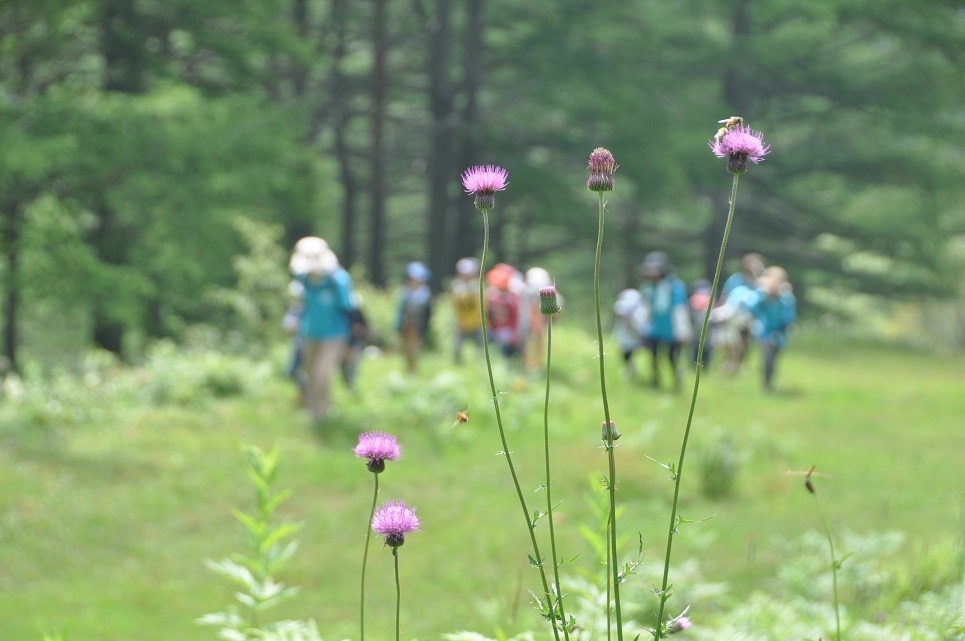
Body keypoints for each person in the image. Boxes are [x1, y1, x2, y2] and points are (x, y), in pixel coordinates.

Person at [289, 236, 356, 422]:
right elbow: (301, 305)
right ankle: (314, 409)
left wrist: (351, 343)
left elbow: (349, 309)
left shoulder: (339, 280)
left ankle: (323, 411)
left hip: (334, 334)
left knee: (322, 373)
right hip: (309, 333)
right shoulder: (303, 280)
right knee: (310, 373)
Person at [639, 251, 692, 391]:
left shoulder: (675, 286)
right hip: (654, 327)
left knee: (672, 357)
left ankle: (676, 381)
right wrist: (643, 325)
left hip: (672, 328)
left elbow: (680, 308)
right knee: (653, 355)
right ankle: (655, 379)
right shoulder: (648, 286)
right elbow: (646, 306)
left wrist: (682, 330)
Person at [750, 266, 797, 391]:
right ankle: (766, 382)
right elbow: (752, 309)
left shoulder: (786, 298)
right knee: (767, 357)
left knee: (773, 358)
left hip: (779, 332)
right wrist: (763, 294)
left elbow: (788, 318)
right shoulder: (761, 295)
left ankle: (769, 380)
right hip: (763, 331)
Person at [397, 261, 433, 373]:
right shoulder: (405, 292)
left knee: (414, 348)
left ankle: (414, 369)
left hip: (417, 326)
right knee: (405, 348)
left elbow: (427, 314)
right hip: (405, 325)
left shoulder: (425, 294)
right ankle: (409, 368)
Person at [485, 263, 522, 359]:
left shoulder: (512, 297)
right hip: (492, 329)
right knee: (491, 352)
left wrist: (514, 333)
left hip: (506, 331)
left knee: (505, 353)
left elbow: (515, 315)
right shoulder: (490, 295)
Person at [450, 257, 483, 364]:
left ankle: (480, 366)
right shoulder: (456, 286)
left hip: (476, 324)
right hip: (461, 323)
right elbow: (456, 305)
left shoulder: (477, 287)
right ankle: (458, 365)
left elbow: (479, 308)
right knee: (456, 348)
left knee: (481, 349)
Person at [522, 267, 553, 371]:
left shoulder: (547, 292)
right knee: (529, 343)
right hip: (529, 320)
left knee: (536, 342)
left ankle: (535, 365)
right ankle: (529, 364)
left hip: (538, 321)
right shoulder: (526, 291)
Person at [613, 288, 644, 378]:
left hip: (631, 334)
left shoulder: (637, 306)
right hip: (626, 333)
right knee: (626, 351)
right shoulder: (627, 304)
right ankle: (630, 367)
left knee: (629, 351)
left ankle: (630, 367)